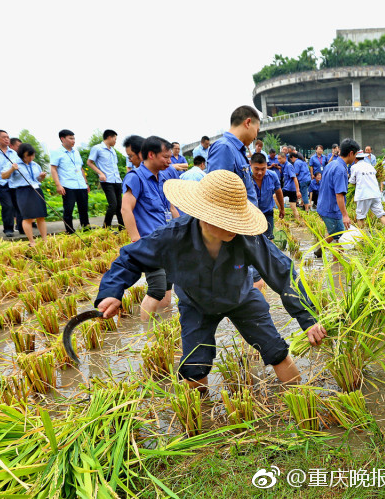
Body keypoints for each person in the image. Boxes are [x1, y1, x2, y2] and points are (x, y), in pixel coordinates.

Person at [95, 170, 327, 391]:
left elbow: (282, 272)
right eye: (229, 221)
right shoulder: (173, 236)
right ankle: (201, 417)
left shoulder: (246, 237)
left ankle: (301, 401)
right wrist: (112, 291)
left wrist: (307, 318)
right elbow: (129, 258)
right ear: (205, 216)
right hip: (196, 305)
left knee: (276, 351)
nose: (235, 227)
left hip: (242, 299)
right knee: (195, 367)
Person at [121, 136, 180, 319]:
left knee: (167, 286)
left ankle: (162, 328)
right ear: (151, 155)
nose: (169, 161)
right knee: (156, 288)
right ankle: (147, 335)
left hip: (167, 241)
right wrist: (136, 240)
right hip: (150, 244)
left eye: (170, 157)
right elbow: (126, 209)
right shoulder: (135, 178)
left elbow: (171, 208)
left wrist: (183, 230)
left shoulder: (163, 176)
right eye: (165, 157)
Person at [206, 106, 260, 207]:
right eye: (257, 130)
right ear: (248, 123)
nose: (256, 136)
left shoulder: (237, 150)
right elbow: (218, 195)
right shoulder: (224, 148)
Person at [315, 138, 358, 257]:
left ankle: (318, 251)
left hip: (323, 206)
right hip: (331, 210)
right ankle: (337, 268)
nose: (355, 158)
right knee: (342, 239)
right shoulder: (340, 170)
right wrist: (345, 215)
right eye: (355, 155)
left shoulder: (332, 163)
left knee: (333, 232)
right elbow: (339, 194)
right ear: (351, 153)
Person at [1, 143, 47, 247]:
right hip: (23, 191)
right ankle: (31, 241)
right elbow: (3, 176)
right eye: (28, 156)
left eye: (32, 155)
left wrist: (42, 177)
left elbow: (38, 180)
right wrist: (12, 169)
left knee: (41, 216)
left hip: (36, 190)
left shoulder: (35, 165)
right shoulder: (13, 163)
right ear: (22, 155)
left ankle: (45, 240)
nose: (31, 158)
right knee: (28, 218)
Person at [50, 129, 90, 233]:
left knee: (84, 210)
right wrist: (58, 185)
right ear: (62, 139)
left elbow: (80, 168)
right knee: (68, 211)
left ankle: (86, 230)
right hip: (68, 185)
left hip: (81, 185)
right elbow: (53, 169)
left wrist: (85, 183)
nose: (73, 141)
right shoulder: (56, 152)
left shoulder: (76, 152)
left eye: (74, 138)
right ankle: (70, 232)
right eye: (71, 138)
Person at [88, 129, 124, 229]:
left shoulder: (113, 150)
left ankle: (122, 227)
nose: (116, 142)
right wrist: (100, 173)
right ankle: (106, 228)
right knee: (113, 205)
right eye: (115, 139)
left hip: (117, 180)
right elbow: (89, 162)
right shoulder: (97, 148)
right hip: (107, 181)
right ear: (109, 137)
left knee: (120, 206)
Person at [349, 150, 385, 227]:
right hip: (375, 194)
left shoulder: (354, 167)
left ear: (355, 158)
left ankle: (362, 237)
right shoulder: (370, 166)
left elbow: (352, 181)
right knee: (381, 215)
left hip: (363, 195)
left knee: (360, 218)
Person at [251, 152, 284, 239]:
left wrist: (282, 208)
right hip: (251, 214)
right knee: (253, 239)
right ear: (250, 165)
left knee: (269, 238)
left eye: (263, 169)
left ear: (266, 165)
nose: (260, 172)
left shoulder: (272, 176)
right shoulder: (246, 178)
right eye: (256, 169)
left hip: (267, 212)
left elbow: (279, 192)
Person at [280, 153, 300, 219]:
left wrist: (298, 191)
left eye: (280, 158)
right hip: (290, 188)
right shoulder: (284, 166)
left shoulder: (288, 165)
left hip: (289, 188)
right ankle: (298, 221)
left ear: (284, 158)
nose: (279, 160)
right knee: (293, 207)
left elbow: (295, 178)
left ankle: (281, 211)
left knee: (275, 196)